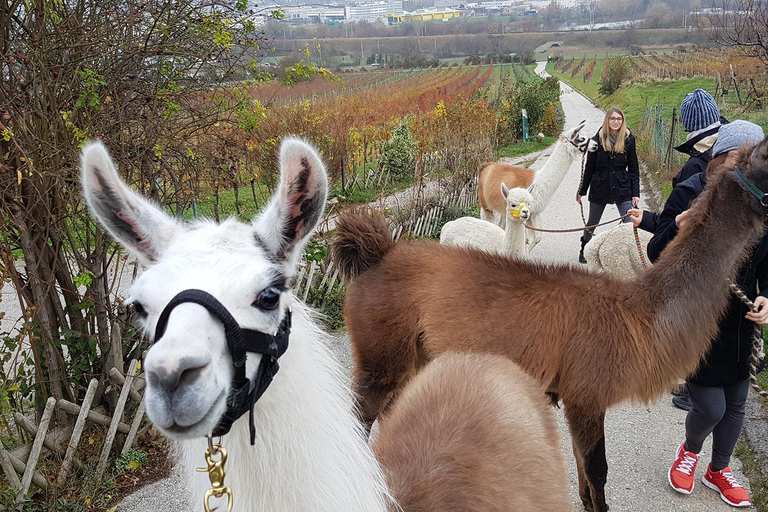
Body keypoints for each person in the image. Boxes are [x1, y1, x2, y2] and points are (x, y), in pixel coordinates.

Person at [651, 120, 768, 508]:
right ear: (719, 157)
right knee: (711, 406)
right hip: (696, 322)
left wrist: (767, 297)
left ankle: (719, 469)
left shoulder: (757, 204)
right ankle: (689, 451)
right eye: (736, 158)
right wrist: (678, 229)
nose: (742, 168)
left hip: (740, 323)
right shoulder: (688, 192)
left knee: (735, 404)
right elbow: (655, 249)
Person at [630, 88, 726, 409]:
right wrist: (646, 219)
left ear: (688, 127)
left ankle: (693, 389)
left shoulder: (692, 173)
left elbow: (675, 231)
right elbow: (677, 220)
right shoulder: (736, 153)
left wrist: (655, 227)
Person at [632, 88, 725, 234]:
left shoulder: (695, 166)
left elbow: (681, 221)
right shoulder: (736, 152)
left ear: (688, 125)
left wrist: (647, 220)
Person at [577, 107, 639, 264]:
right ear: (607, 121)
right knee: (592, 222)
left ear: (622, 121)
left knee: (628, 222)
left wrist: (635, 193)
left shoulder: (629, 140)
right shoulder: (596, 141)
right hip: (600, 186)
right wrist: (581, 191)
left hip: (622, 185)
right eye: (613, 119)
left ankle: (624, 253)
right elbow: (589, 168)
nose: (616, 121)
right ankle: (584, 246)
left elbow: (634, 168)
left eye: (619, 119)